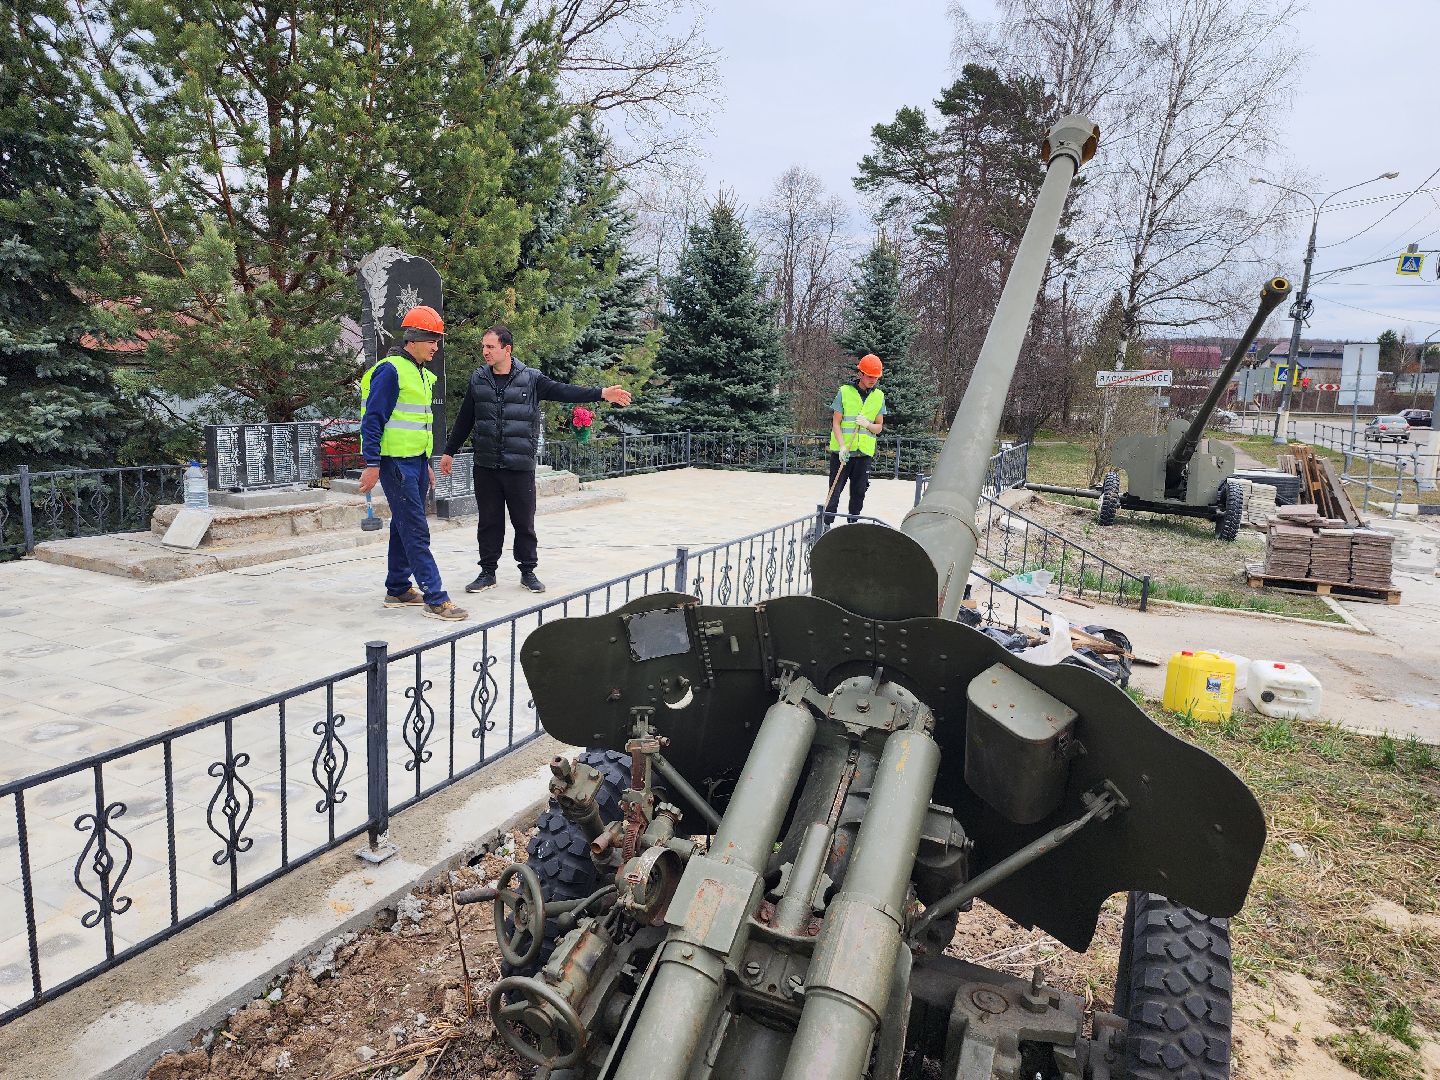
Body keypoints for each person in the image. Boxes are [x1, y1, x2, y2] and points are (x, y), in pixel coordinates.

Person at [439, 324, 632, 594]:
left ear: (507, 349)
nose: (485, 352)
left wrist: (601, 393)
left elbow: (564, 391)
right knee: (489, 521)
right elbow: (465, 419)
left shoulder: (531, 378)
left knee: (523, 522)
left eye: (490, 346)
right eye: (483, 346)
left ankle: (527, 571)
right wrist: (449, 451)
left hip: (519, 466)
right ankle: (487, 572)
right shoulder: (478, 379)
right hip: (486, 465)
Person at [357, 306, 468, 621]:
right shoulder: (390, 371)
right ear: (414, 339)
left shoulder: (419, 372)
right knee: (416, 529)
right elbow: (373, 420)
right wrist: (373, 463)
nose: (436, 347)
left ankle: (398, 588)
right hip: (395, 464)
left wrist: (425, 463)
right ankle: (436, 597)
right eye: (432, 340)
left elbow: (416, 424)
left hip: (415, 464)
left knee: (403, 525)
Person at [825, 353, 886, 526]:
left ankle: (852, 525)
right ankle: (826, 524)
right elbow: (836, 423)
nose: (872, 380)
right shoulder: (845, 392)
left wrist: (867, 424)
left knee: (859, 492)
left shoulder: (879, 396)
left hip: (863, 454)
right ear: (860, 374)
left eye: (876, 377)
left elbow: (879, 427)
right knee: (835, 490)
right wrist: (842, 447)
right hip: (842, 453)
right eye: (869, 376)